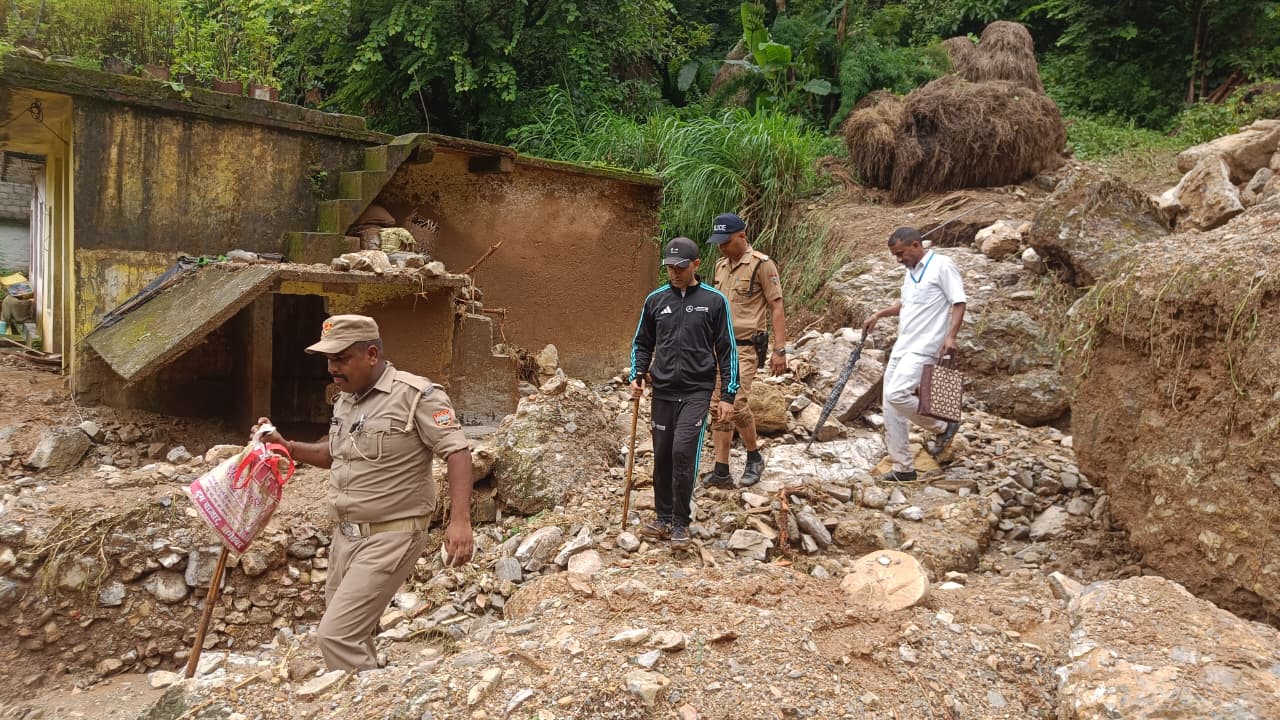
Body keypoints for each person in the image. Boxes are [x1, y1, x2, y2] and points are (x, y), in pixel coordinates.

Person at [252, 314, 474, 672]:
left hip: (392, 535)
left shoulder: (416, 395)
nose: (332, 368)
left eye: (341, 358)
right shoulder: (346, 400)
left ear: (371, 354)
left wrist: (460, 521)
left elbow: (457, 451)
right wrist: (285, 446)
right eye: (329, 359)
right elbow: (333, 454)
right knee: (352, 631)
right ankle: (368, 689)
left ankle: (357, 696)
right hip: (346, 537)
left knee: (336, 636)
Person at [629, 237, 737, 547]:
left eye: (680, 267)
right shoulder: (655, 300)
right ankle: (662, 518)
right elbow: (642, 342)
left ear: (695, 265)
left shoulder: (714, 301)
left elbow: (727, 349)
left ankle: (680, 522)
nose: (674, 273)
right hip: (662, 389)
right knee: (662, 454)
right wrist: (637, 374)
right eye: (669, 268)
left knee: (682, 452)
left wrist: (728, 395)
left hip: (696, 391)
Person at [862, 227, 966, 482]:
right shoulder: (911, 272)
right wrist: (878, 314)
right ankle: (903, 468)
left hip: (926, 346)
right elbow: (904, 304)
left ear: (916, 245)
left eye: (901, 254)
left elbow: (959, 301)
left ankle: (943, 425)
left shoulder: (942, 265)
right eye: (895, 255)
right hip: (903, 344)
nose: (899, 259)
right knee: (890, 406)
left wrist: (951, 336)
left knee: (898, 394)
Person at [703, 212, 788, 488]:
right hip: (718, 348)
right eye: (718, 243)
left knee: (736, 402)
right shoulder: (720, 267)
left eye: (726, 242)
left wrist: (780, 349)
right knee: (717, 406)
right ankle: (721, 469)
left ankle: (754, 456)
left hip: (745, 347)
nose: (721, 247)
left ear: (742, 236)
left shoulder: (762, 265)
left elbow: (776, 306)